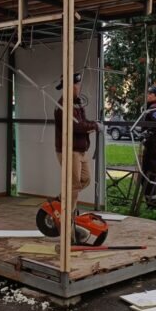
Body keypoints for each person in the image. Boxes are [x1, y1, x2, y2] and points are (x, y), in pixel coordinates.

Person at [54, 72, 99, 215]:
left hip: (80, 149)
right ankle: (68, 216)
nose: (78, 87)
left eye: (78, 84)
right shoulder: (63, 105)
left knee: (85, 179)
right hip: (69, 150)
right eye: (75, 85)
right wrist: (95, 126)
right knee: (73, 185)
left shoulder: (76, 103)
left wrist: (93, 124)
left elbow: (82, 122)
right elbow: (76, 126)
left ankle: (61, 199)